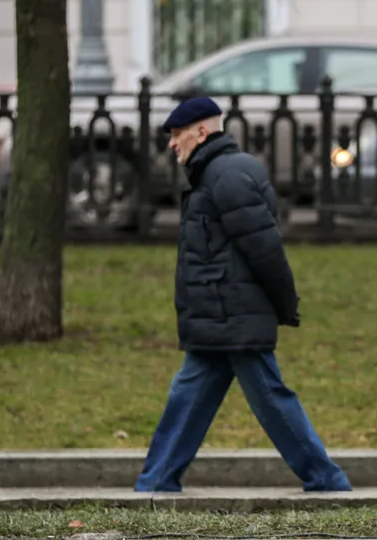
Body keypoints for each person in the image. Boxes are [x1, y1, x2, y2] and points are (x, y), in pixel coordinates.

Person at [135, 97, 352, 493]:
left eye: (177, 134)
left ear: (202, 132)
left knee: (270, 398)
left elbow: (264, 247)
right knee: (189, 397)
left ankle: (326, 479)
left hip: (233, 314)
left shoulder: (227, 174)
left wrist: (285, 304)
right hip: (219, 315)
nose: (171, 144)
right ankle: (155, 482)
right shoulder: (215, 173)